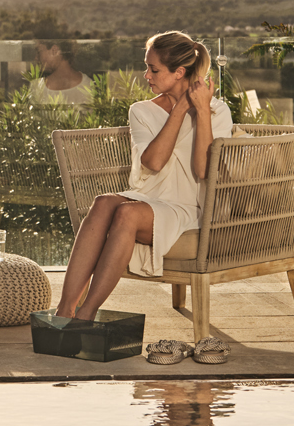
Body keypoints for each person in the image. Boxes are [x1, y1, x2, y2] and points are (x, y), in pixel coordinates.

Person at [54, 30, 232, 320]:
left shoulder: (216, 111)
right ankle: (64, 311)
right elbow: (154, 162)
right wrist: (180, 108)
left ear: (179, 72)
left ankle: (86, 314)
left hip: (190, 208)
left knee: (127, 213)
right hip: (152, 198)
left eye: (153, 69)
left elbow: (203, 170)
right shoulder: (141, 111)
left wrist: (200, 111)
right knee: (103, 202)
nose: (146, 75)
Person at [28, 38, 93, 105]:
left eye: (39, 52)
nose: (36, 58)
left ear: (54, 50)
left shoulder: (37, 87)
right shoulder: (87, 85)